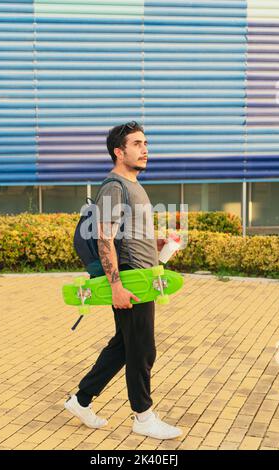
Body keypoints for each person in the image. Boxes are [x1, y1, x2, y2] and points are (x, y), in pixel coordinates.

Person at [64, 121, 182, 440]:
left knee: (123, 346)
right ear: (119, 152)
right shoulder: (114, 187)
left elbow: (128, 235)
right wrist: (117, 285)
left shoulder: (133, 185)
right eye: (137, 143)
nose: (145, 149)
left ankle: (81, 399)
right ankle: (143, 417)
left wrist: (156, 244)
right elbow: (105, 239)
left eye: (146, 143)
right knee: (142, 349)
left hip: (141, 273)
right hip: (131, 280)